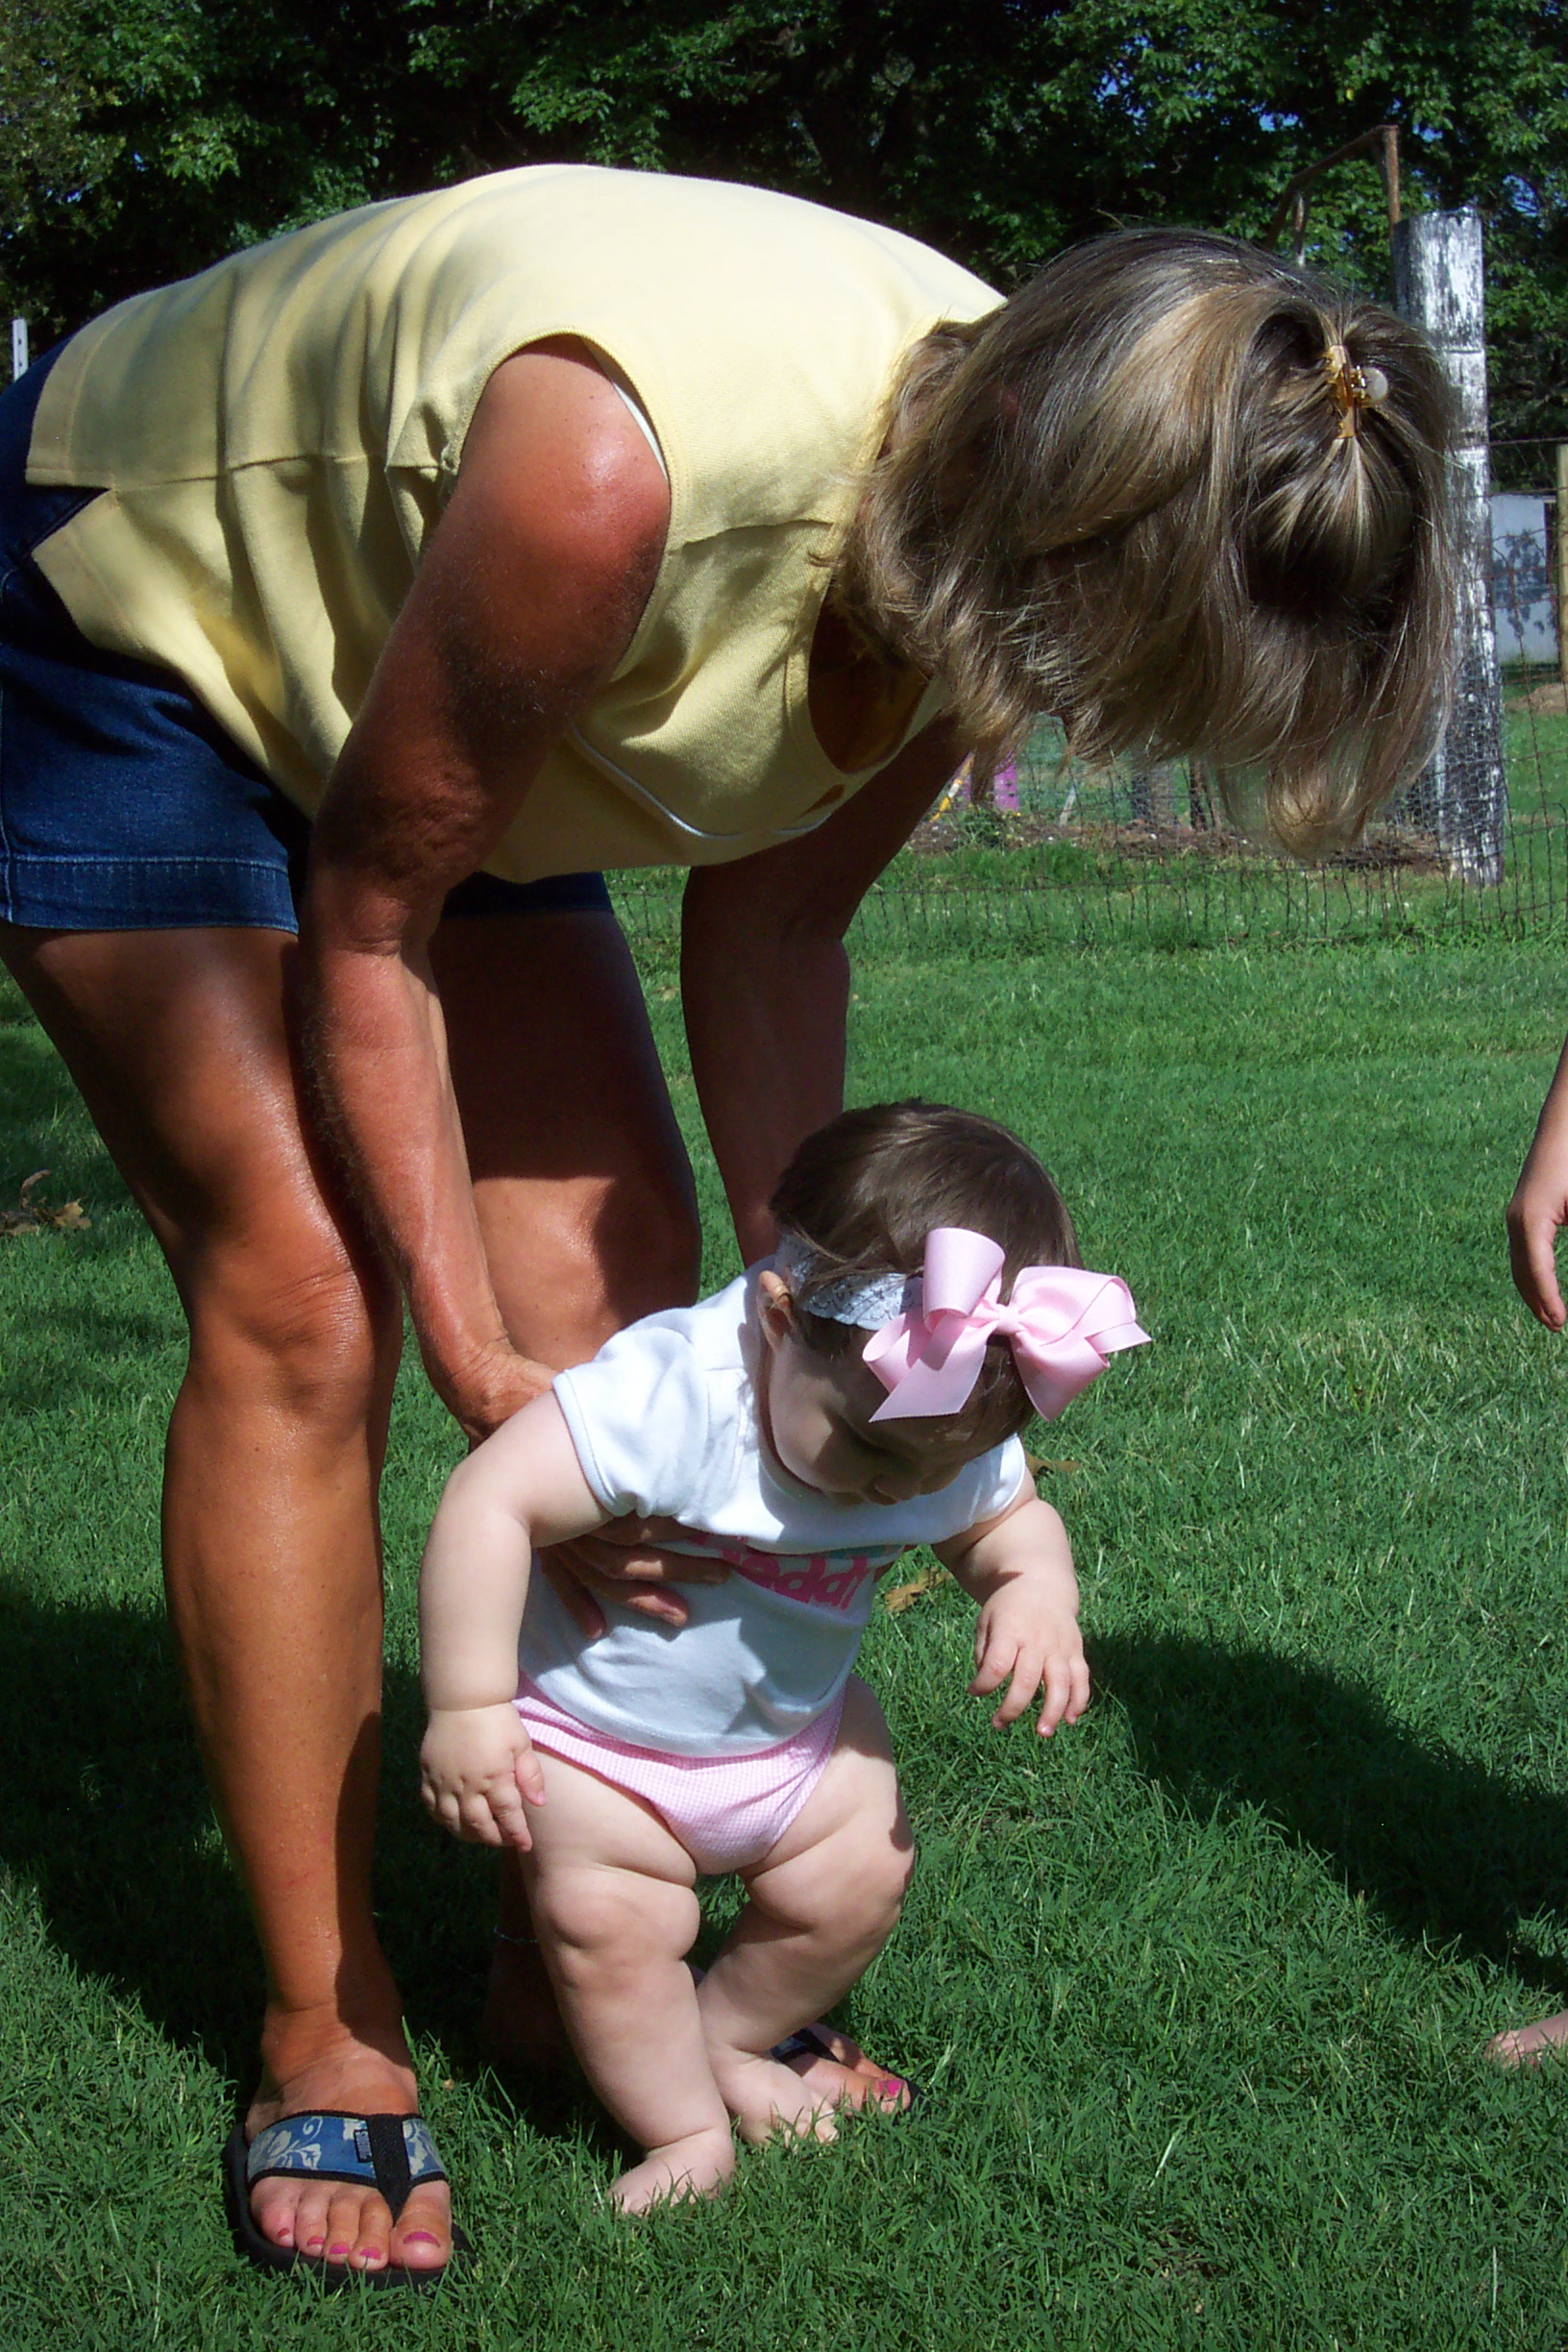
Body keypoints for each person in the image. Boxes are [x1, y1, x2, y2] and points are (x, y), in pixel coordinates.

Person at [0, 163, 1455, 2277]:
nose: (1099, 724)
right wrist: (489, 1374)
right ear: (1089, 552)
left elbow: (771, 940)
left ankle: (551, 1952)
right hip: (140, 612)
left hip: (438, 670)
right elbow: (374, 913)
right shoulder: (613, 472)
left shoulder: (1003, 499)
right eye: (1138, 681)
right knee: (314, 1304)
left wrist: (839, 1334)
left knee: (617, 1277)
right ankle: (331, 2027)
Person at [416, 1103, 1147, 2209]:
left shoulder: (928, 1424)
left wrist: (1034, 1586)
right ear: (777, 1313)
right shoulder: (678, 1393)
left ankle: (723, 2040)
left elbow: (1004, 1518)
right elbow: (491, 1498)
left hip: (795, 1734)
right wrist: (471, 1706)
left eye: (926, 1467)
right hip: (602, 1746)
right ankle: (682, 2134)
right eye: (863, 1448)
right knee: (614, 1926)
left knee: (861, 1877)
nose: (897, 1490)